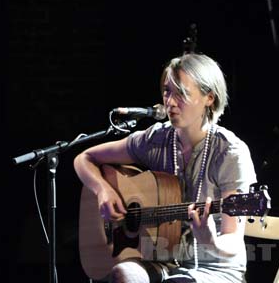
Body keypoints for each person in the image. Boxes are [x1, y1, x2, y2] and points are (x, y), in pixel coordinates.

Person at [74, 53, 257, 283]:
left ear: (209, 97)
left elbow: (233, 239)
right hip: (163, 260)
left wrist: (209, 240)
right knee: (123, 274)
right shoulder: (156, 139)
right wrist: (103, 190)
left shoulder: (230, 152)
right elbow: (84, 158)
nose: (169, 101)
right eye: (167, 91)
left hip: (216, 269)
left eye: (181, 93)